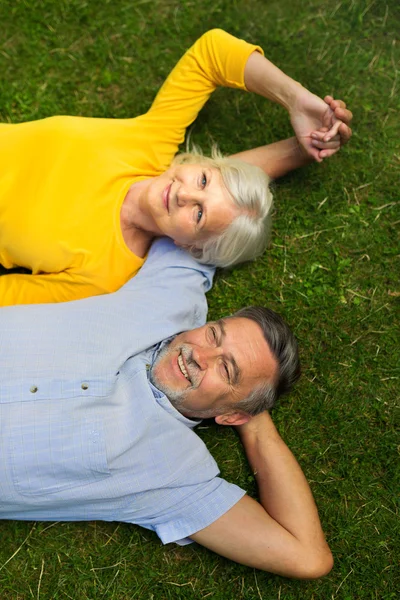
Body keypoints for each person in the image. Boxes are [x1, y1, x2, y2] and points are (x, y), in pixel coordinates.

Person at [0, 238, 332, 579]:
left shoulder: (174, 478)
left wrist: (257, 427)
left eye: (226, 369)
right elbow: (212, 214)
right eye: (214, 335)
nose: (199, 355)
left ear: (232, 415)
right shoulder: (172, 297)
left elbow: (306, 556)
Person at [0, 29, 352, 306]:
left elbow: (9, 298)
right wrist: (296, 104)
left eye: (199, 215)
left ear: (191, 248)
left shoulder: (103, 275)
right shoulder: (149, 145)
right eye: (202, 179)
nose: (184, 194)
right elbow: (213, 52)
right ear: (201, 165)